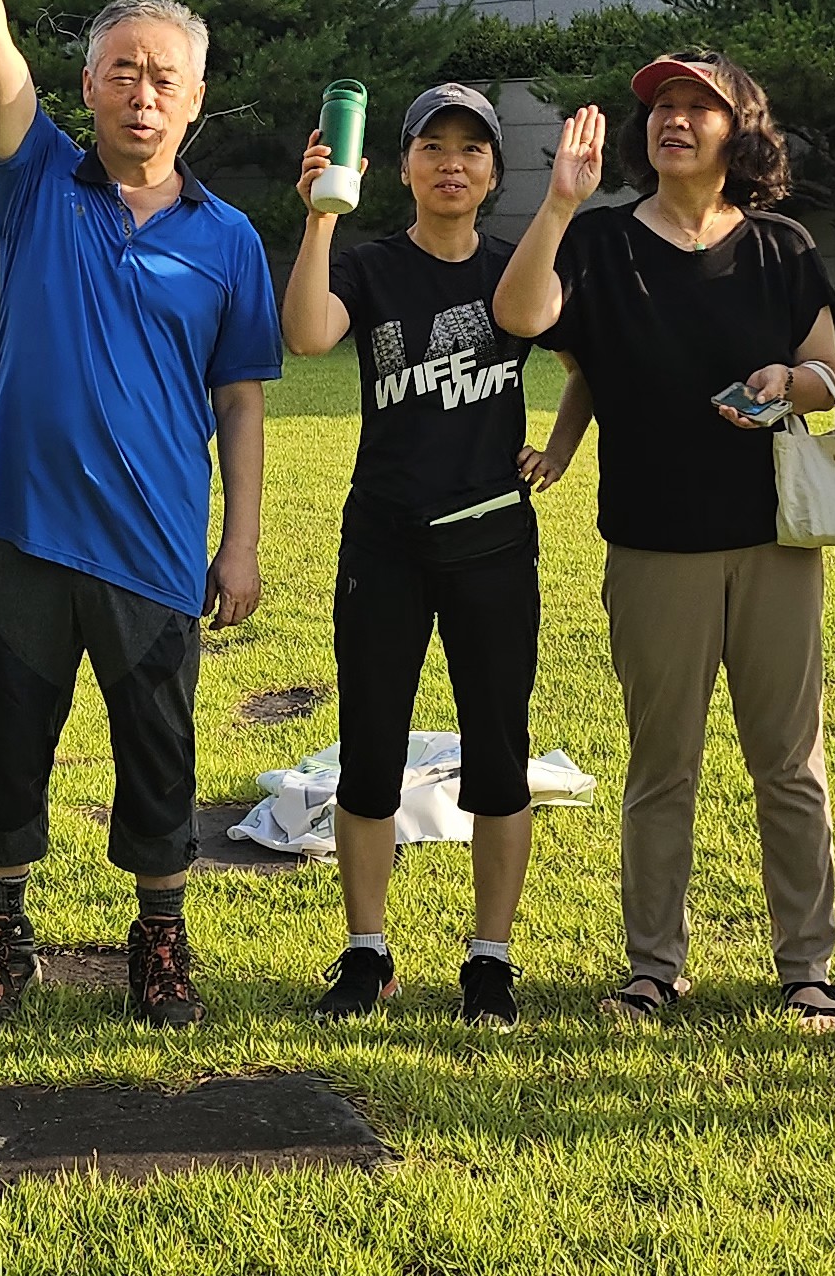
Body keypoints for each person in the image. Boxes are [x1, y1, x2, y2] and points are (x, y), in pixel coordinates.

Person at [0, 0, 278, 1033]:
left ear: (196, 97)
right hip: (19, 530)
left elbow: (241, 396)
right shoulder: (39, 179)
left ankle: (159, 939)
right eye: (122, 69)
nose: (142, 90)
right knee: (11, 740)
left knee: (158, 750)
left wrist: (240, 540)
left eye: (164, 74)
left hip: (155, 544)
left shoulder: (228, 238)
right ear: (87, 86)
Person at [490, 53, 835, 1032]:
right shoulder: (599, 241)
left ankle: (808, 968)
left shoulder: (780, 246)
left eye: (699, 105)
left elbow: (826, 374)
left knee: (789, 763)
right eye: (662, 106)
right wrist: (558, 204)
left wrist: (786, 381)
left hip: (775, 541)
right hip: (652, 545)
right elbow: (524, 319)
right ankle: (653, 966)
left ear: (740, 130)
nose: (674, 119)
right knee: (663, 767)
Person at [280, 83, 595, 1031]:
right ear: (403, 166)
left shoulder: (514, 268)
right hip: (385, 540)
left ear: (493, 173)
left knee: (498, 754)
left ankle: (489, 960)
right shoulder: (371, 267)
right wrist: (320, 218)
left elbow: (581, 362)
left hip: (492, 542)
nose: (452, 164)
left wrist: (559, 447)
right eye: (433, 147)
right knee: (371, 749)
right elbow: (307, 334)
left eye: (472, 149)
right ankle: (366, 952)